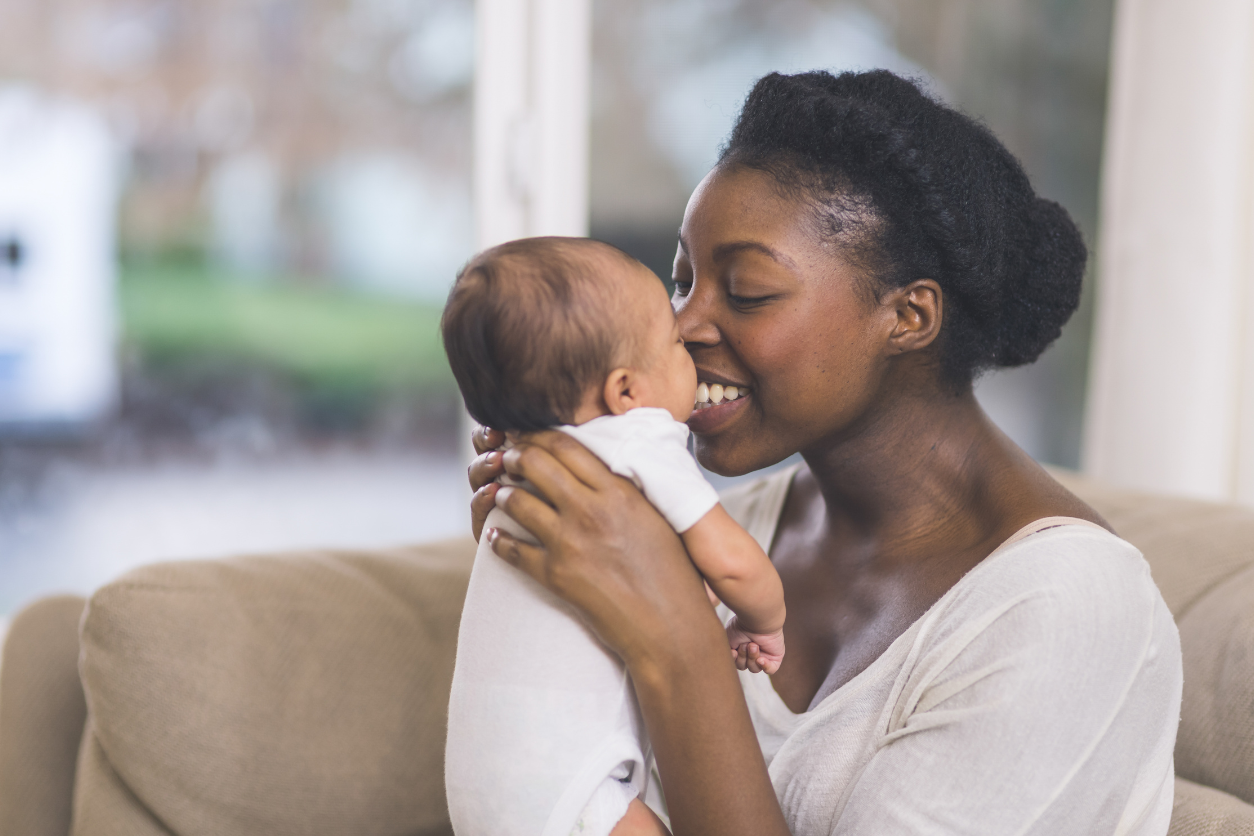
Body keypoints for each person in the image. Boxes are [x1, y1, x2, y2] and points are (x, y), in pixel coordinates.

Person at [466, 70, 1183, 835]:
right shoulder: (723, 527)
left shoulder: (1065, 612)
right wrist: (549, 571)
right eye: (681, 283)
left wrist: (677, 641)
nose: (681, 326)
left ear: (908, 316)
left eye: (745, 292)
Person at [441, 238, 787, 836]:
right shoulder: (634, 438)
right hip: (579, 784)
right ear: (625, 392)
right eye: (675, 343)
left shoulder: (523, 456)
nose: (689, 334)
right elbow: (734, 564)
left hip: (486, 787)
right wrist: (765, 620)